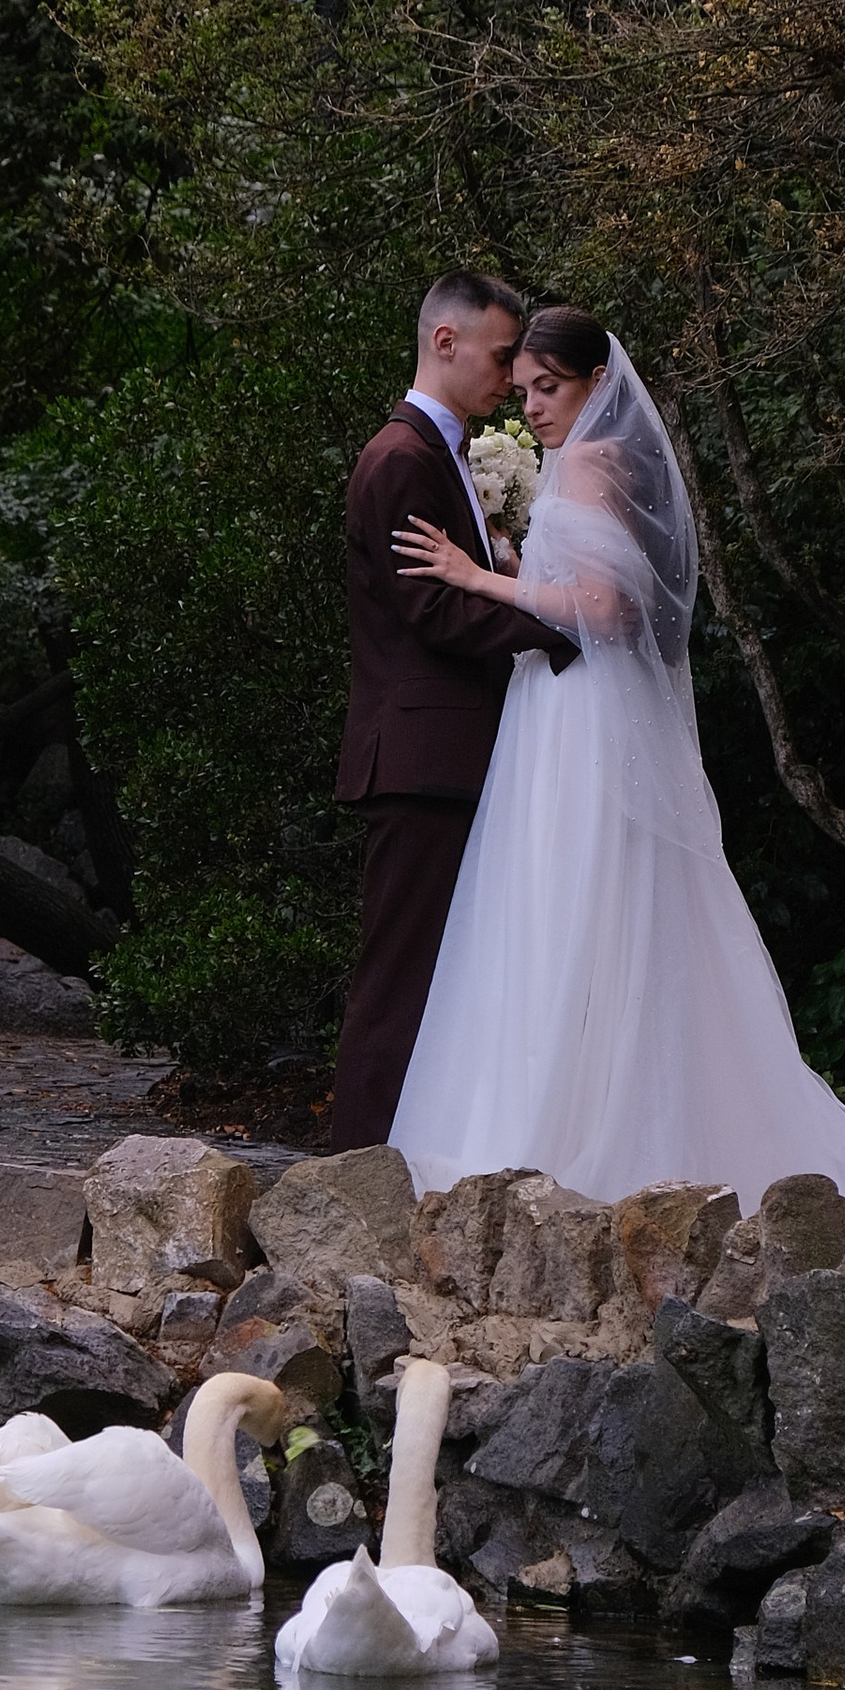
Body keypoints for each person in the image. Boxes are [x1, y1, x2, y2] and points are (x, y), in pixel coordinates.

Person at [386, 304, 845, 1272]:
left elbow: (607, 611)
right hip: (556, 713)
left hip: (583, 717)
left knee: (583, 902)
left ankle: (577, 1135)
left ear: (596, 383)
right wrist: (515, 558)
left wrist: (477, 581)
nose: (529, 409)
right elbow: (584, 586)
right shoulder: (578, 462)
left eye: (546, 389)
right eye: (522, 390)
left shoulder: (594, 464)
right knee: (550, 905)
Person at [328, 270, 583, 1149]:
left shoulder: (440, 452)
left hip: (445, 754)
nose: (511, 376)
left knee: (441, 980)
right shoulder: (400, 459)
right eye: (503, 354)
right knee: (400, 978)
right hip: (420, 758)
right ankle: (353, 1171)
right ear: (447, 341)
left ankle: (406, 1159)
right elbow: (431, 611)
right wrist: (555, 624)